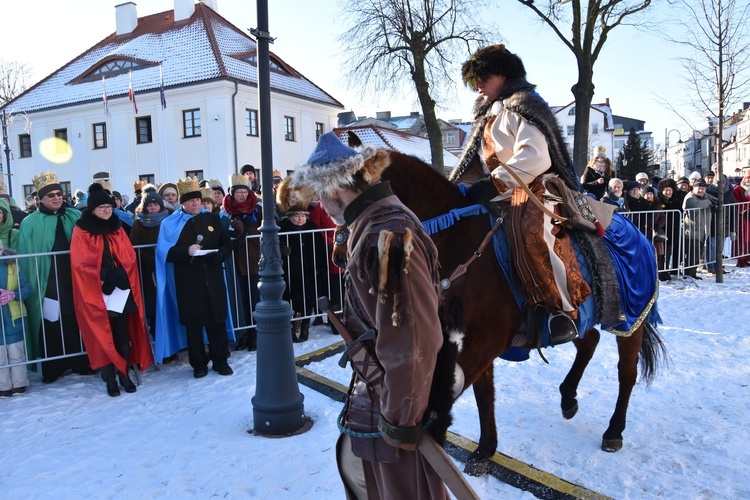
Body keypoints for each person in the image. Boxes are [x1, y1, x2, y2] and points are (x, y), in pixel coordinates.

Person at [292, 131, 449, 499]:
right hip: (384, 393)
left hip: (398, 403)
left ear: (334, 189)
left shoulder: (386, 232)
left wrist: (401, 420)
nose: (320, 204)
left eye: (319, 194)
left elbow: (413, 340)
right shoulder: (370, 223)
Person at [457, 44, 590, 344]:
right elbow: (476, 164)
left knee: (531, 227)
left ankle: (561, 310)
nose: (477, 85)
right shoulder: (487, 116)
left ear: (503, 74)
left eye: (482, 77)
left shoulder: (523, 104)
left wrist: (495, 184)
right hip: (498, 190)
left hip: (535, 186)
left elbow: (535, 157)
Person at [70, 183, 153, 397]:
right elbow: (80, 263)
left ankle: (123, 372)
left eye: (109, 206)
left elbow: (129, 255)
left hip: (120, 289)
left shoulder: (117, 227)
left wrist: (121, 275)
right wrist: (103, 276)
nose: (107, 210)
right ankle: (109, 377)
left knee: (121, 333)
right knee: (101, 334)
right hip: (96, 291)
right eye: (102, 207)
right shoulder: (82, 231)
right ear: (92, 209)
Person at [154, 177, 234, 378]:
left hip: (213, 277)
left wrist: (221, 254)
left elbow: (226, 243)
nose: (196, 203)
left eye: (198, 200)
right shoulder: (169, 224)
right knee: (194, 326)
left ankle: (220, 360)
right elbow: (165, 253)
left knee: (217, 322)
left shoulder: (212, 219)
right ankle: (198, 364)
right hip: (188, 281)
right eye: (191, 201)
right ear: (182, 203)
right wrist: (185, 251)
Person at [18, 171, 92, 383]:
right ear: (40, 199)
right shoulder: (30, 223)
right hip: (47, 282)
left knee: (75, 319)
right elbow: (27, 257)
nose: (57, 198)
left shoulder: (75, 216)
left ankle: (80, 362)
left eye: (59, 193)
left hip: (73, 280)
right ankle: (54, 367)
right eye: (51, 195)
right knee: (50, 322)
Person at [220, 174, 261, 351]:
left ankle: (255, 335)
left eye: (245, 191)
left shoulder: (258, 210)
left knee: (254, 299)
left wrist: (245, 230)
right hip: (234, 262)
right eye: (239, 192)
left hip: (253, 260)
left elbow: (263, 232)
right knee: (239, 300)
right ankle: (242, 334)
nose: (243, 195)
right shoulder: (225, 213)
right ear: (232, 193)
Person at [278, 204, 327, 342]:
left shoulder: (312, 229)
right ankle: (292, 329)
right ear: (290, 217)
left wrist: (319, 267)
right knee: (290, 300)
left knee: (307, 299)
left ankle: (305, 328)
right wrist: (282, 249)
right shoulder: (283, 228)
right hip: (289, 271)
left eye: (302, 216)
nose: (300, 219)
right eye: (296, 216)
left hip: (308, 270)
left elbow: (320, 250)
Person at [129, 190, 170, 343]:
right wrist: (149, 261)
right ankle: (158, 337)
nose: (153, 207)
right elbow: (135, 245)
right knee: (154, 304)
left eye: (155, 204)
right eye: (150, 205)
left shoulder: (168, 219)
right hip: (148, 269)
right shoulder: (138, 223)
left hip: (167, 265)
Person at [0, 240, 31, 397]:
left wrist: (13, 295)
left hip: (13, 317)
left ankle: (19, 384)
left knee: (16, 352)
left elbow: (27, 288)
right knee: (0, 355)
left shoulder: (13, 265)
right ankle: (3, 386)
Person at [683, 180, 715, 279]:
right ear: (694, 188)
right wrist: (710, 202)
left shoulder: (705, 196)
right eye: (699, 188)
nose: (701, 191)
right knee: (692, 255)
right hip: (692, 232)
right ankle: (689, 273)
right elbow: (695, 205)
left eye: (703, 189)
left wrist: (714, 201)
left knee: (697, 256)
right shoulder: (690, 197)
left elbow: (715, 199)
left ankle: (693, 273)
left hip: (702, 232)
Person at [657, 178, 682, 279]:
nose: (668, 192)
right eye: (666, 190)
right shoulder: (658, 200)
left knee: (669, 252)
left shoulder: (676, 200)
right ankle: (662, 271)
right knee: (662, 252)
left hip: (673, 229)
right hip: (662, 229)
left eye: (670, 190)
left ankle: (667, 269)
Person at [732, 169, 750, 267]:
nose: (748, 181)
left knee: (748, 238)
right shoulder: (738, 189)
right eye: (747, 178)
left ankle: (747, 257)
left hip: (748, 217)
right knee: (742, 238)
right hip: (742, 217)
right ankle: (741, 258)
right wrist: (745, 210)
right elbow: (737, 202)